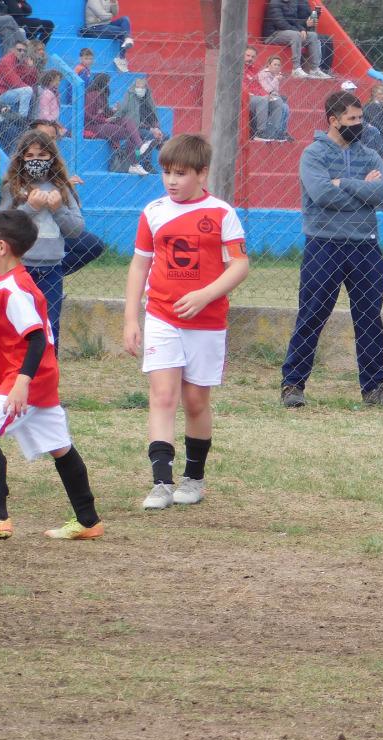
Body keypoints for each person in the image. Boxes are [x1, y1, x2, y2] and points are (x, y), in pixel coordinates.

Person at [0, 209, 103, 540]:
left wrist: (22, 383)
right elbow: (9, 337)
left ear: (3, 247)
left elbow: (36, 338)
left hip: (29, 379)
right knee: (60, 446)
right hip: (39, 376)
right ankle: (88, 520)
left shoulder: (15, 290)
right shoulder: (7, 282)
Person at [122, 134, 250, 511]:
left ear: (202, 173)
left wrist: (204, 295)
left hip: (207, 322)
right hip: (161, 316)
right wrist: (132, 316)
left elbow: (240, 265)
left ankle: (194, 479)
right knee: (162, 396)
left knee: (195, 401)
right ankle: (161, 482)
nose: (171, 181)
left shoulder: (223, 213)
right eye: (166, 173)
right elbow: (140, 263)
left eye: (180, 173)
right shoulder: (153, 211)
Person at [279, 90, 383, 408]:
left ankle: (374, 387)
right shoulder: (313, 155)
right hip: (324, 245)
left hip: (365, 248)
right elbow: (321, 196)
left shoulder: (370, 156)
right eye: (352, 119)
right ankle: (293, 384)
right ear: (333, 120)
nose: (359, 124)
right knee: (312, 315)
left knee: (369, 318)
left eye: (360, 118)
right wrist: (363, 191)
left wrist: (343, 183)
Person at [0, 130, 84, 342]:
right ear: (21, 158)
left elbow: (76, 229)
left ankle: (47, 372)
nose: (36, 161)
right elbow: (0, 225)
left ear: (52, 158)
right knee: (16, 325)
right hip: (19, 268)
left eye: (42, 156)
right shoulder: (13, 187)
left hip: (52, 271)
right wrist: (29, 208)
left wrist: (58, 210)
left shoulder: (62, 188)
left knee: (50, 326)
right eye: (30, 156)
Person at [26, 118, 106, 277]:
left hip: (56, 224)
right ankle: (35, 275)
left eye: (52, 138)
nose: (47, 141)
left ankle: (51, 275)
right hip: (30, 227)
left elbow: (73, 214)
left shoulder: (56, 166)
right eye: (42, 136)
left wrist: (66, 189)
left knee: (93, 245)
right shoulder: (23, 161)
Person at [84, 73, 147, 174]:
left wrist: (115, 111)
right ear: (103, 82)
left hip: (104, 122)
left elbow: (106, 112)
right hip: (93, 126)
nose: (108, 84)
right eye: (107, 82)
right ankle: (135, 161)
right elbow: (88, 116)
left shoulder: (102, 95)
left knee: (127, 120)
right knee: (130, 133)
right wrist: (104, 120)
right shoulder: (91, 95)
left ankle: (139, 147)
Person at [263, 0, 328, 79]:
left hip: (288, 32)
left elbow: (294, 21)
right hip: (273, 34)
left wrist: (302, 29)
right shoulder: (274, 3)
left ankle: (315, 70)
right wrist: (298, 31)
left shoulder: (292, 2)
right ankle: (296, 69)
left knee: (313, 36)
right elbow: (280, 23)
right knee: (296, 35)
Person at [116, 75, 165, 152]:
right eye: (138, 87)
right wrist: (151, 129)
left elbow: (153, 117)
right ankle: (139, 158)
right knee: (150, 137)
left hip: (150, 129)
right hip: (136, 128)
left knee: (165, 136)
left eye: (142, 88)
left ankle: (149, 158)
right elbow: (133, 120)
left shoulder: (147, 102)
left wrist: (157, 128)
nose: (140, 90)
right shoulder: (130, 101)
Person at [80, 0, 133, 71]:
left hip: (106, 25)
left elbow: (115, 13)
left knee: (125, 19)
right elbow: (103, 16)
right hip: (94, 27)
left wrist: (114, 3)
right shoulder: (93, 1)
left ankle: (127, 39)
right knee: (123, 32)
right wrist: (110, 15)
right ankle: (121, 57)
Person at [0, 38, 36, 118]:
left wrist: (31, 68)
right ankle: (22, 118)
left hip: (13, 92)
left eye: (24, 51)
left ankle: (33, 120)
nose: (22, 52)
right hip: (1, 93)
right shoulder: (6, 61)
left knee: (36, 90)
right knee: (27, 90)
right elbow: (15, 83)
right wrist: (27, 87)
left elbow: (33, 82)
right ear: (12, 50)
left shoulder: (22, 61)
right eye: (19, 50)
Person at [255, 54, 291, 142]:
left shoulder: (275, 75)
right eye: (275, 64)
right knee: (282, 105)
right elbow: (267, 90)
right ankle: (277, 132)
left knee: (286, 107)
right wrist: (276, 79)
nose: (277, 67)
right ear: (268, 65)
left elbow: (275, 91)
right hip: (263, 98)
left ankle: (281, 132)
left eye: (279, 65)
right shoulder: (263, 74)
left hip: (272, 98)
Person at [363, 82, 383, 161]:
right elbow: (376, 123)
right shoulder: (372, 106)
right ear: (374, 94)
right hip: (376, 134)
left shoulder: (380, 106)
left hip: (381, 133)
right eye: (380, 94)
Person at [31, 69, 65, 135]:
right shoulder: (46, 93)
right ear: (49, 80)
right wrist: (53, 122)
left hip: (52, 121)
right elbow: (44, 114)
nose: (58, 82)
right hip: (45, 123)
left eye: (59, 80)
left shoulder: (55, 93)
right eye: (56, 80)